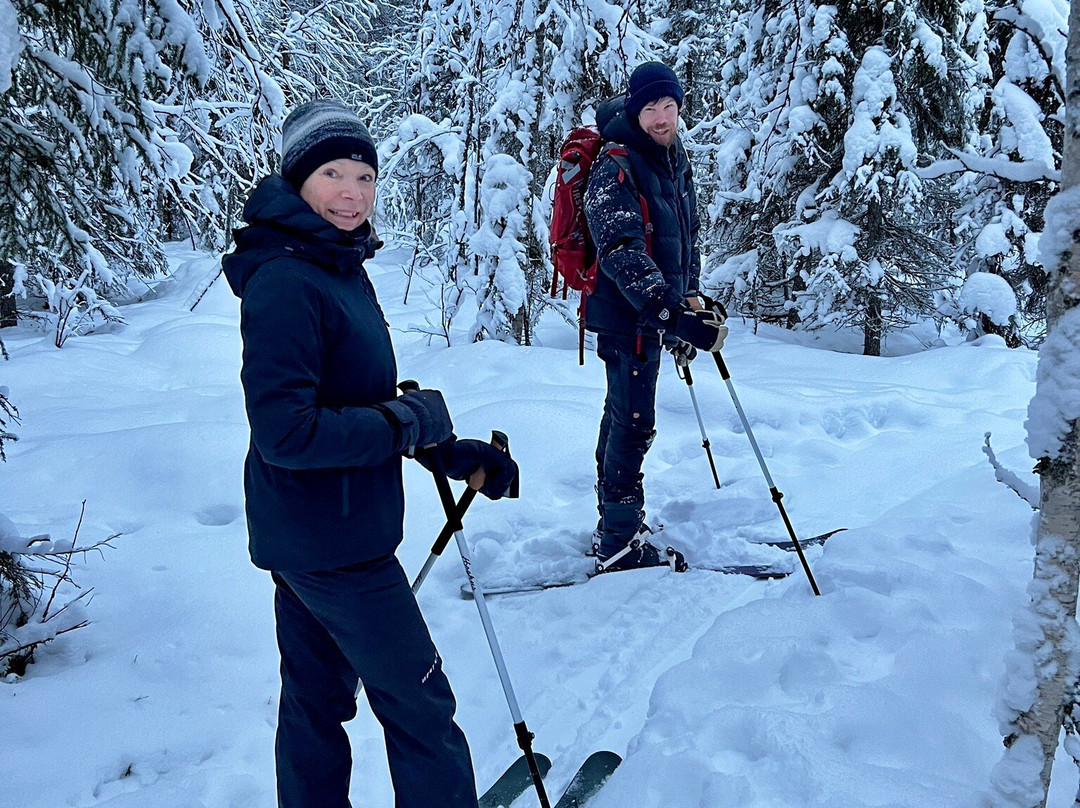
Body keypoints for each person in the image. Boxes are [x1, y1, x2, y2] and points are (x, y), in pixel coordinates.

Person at [222, 99, 517, 808]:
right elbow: (286, 433)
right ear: (297, 180)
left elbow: (354, 398)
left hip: (312, 533)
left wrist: (445, 448)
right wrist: (407, 421)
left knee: (315, 703)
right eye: (332, 173)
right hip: (336, 544)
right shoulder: (290, 281)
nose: (352, 192)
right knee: (420, 707)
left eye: (364, 175)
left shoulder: (330, 262)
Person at [583, 62, 728, 573]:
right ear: (633, 109)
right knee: (634, 421)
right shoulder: (616, 165)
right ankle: (619, 540)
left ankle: (612, 522)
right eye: (651, 107)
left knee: (622, 415)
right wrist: (669, 312)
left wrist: (690, 301)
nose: (663, 117)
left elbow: (677, 241)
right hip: (627, 318)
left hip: (654, 314)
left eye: (670, 105)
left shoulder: (671, 158)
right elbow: (621, 249)